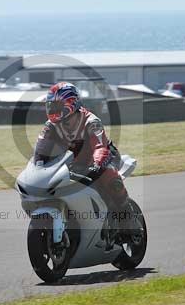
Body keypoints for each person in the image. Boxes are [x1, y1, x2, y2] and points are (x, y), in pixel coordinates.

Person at [33, 82, 135, 247]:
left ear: (70, 103)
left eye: (56, 105)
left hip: (102, 158)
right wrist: (37, 166)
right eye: (49, 105)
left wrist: (97, 164)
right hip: (73, 164)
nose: (51, 109)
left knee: (109, 176)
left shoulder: (90, 120)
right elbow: (41, 149)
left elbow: (100, 146)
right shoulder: (50, 126)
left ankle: (127, 220)